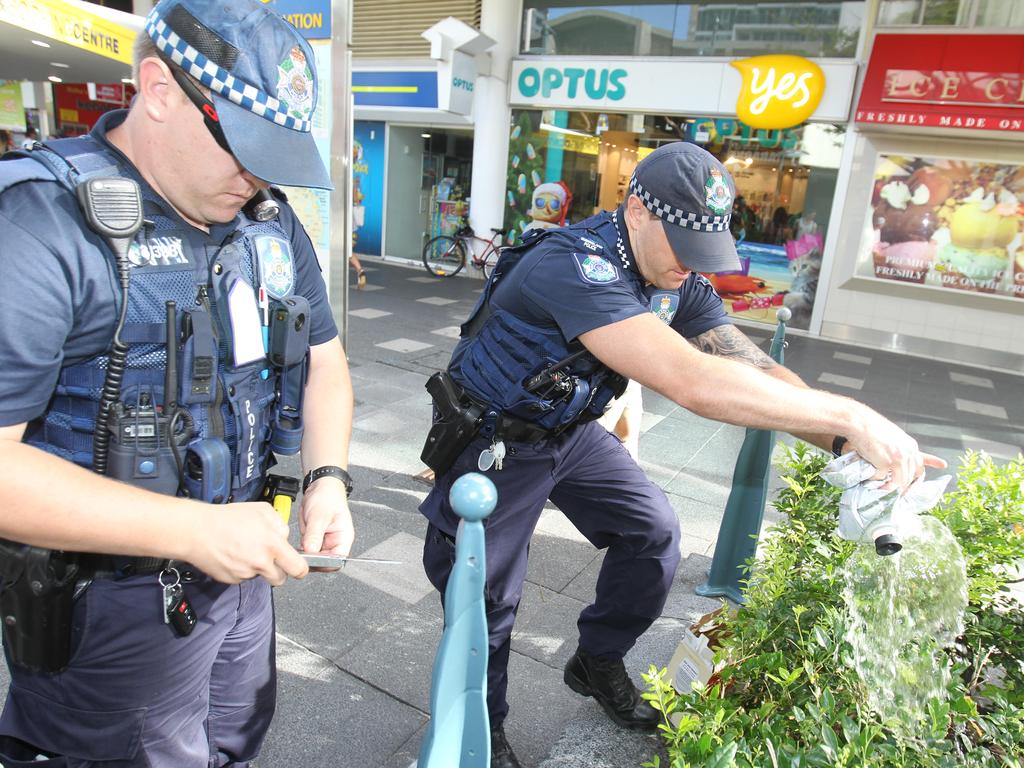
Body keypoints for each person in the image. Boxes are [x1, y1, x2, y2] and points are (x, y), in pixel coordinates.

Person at [417, 141, 944, 768]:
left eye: (705, 252)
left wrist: (846, 443)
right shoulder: (574, 266)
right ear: (637, 210)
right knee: (485, 598)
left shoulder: (674, 276)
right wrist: (850, 414)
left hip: (572, 430)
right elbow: (692, 381)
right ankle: (484, 727)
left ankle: (598, 659)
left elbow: (748, 364)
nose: (692, 268)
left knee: (653, 532)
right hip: (500, 440)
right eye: (685, 248)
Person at [0, 1, 355, 765]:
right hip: (110, 604)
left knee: (234, 740)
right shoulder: (40, 224)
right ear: (159, 90)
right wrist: (189, 532)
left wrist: (328, 477)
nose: (257, 174)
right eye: (241, 145)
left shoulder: (267, 218)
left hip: (242, 565)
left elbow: (324, 360)